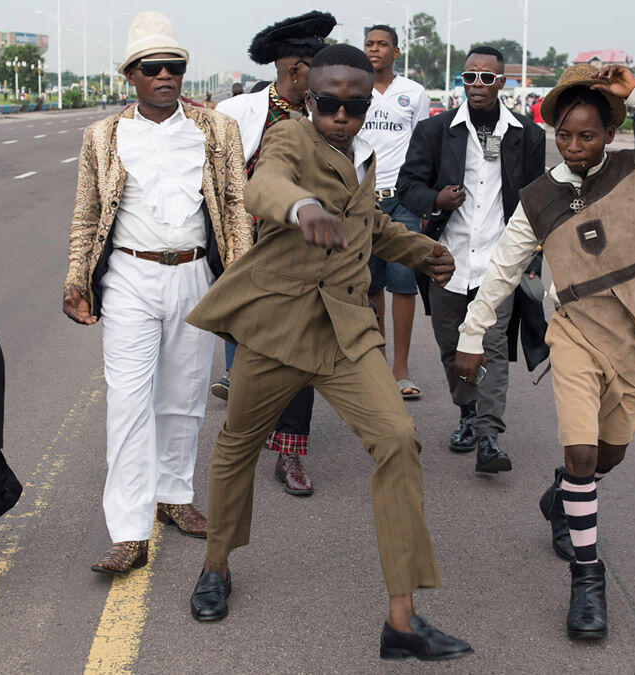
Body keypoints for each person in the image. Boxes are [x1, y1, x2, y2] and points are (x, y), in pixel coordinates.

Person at [185, 44, 472, 662]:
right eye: (331, 104)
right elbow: (265, 183)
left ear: (370, 102)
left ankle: (402, 619)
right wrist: (300, 206)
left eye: (355, 104)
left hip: (346, 331)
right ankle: (216, 565)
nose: (342, 115)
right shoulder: (291, 137)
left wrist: (423, 252)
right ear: (311, 99)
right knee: (237, 442)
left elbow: (368, 226)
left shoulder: (365, 154)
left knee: (398, 439)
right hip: (279, 326)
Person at [454, 64, 635, 640]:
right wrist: (471, 335)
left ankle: (563, 493)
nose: (574, 147)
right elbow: (502, 269)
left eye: (588, 135)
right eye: (565, 136)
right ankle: (587, 580)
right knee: (580, 455)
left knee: (605, 459)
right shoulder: (540, 197)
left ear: (610, 133)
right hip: (573, 333)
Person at [63, 11, 252, 576]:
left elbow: (237, 206)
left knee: (186, 394)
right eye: (153, 68)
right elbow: (86, 214)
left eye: (174, 67)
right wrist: (76, 280)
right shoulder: (102, 137)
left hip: (195, 275)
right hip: (128, 278)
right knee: (128, 401)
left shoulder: (216, 131)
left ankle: (173, 496)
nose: (165, 76)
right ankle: (127, 529)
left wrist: (240, 280)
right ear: (132, 76)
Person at [396, 45, 546, 474]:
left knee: (493, 347)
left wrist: (533, 259)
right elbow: (409, 186)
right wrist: (436, 200)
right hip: (447, 259)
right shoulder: (435, 131)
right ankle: (466, 414)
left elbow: (536, 198)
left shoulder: (526, 134)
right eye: (469, 77)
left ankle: (488, 436)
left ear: (502, 82)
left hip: (500, 261)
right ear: (462, 81)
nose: (476, 84)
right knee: (451, 346)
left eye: (486, 77)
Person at [211, 10, 336, 496]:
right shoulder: (236, 114)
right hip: (247, 252)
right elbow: (215, 183)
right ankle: (244, 439)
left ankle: (291, 453)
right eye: (316, 67)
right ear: (296, 69)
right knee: (249, 353)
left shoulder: (329, 114)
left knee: (299, 351)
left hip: (305, 258)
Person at [359, 24, 430, 400]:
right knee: (370, 286)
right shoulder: (353, 87)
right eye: (369, 43)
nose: (374, 50)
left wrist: (422, 201)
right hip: (362, 199)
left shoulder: (413, 93)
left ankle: (400, 369)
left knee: (403, 283)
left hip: (402, 198)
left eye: (382, 44)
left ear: (396, 52)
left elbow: (423, 146)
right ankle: (377, 364)